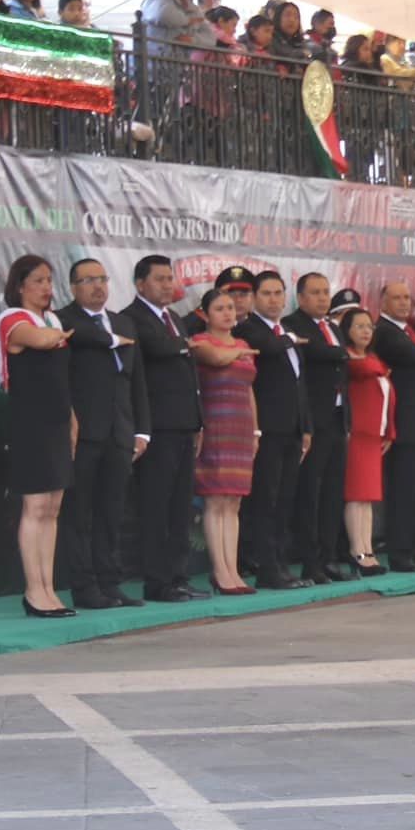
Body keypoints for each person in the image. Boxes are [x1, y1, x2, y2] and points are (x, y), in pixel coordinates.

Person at [55, 258, 149, 612]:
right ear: (73, 287)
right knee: (80, 513)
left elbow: (136, 381)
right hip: (84, 433)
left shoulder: (124, 322)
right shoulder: (65, 321)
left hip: (119, 432)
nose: (97, 286)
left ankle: (111, 584)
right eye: (88, 280)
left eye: (102, 279)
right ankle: (84, 587)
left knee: (112, 512)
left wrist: (141, 431)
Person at [0, 255, 77, 617]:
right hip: (31, 423)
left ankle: (48, 586)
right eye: (38, 281)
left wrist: (72, 418)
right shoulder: (13, 320)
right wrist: (56, 335)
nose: (46, 288)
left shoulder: (54, 321)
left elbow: (60, 374)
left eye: (48, 280)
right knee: (35, 505)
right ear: (20, 286)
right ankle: (33, 590)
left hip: (57, 420)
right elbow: (39, 341)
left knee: (53, 508)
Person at [121, 256, 203, 603]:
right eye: (160, 279)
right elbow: (155, 351)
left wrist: (198, 421)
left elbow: (190, 376)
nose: (168, 285)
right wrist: (189, 344)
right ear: (140, 284)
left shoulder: (174, 320)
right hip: (158, 427)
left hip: (185, 425)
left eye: (170, 278)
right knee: (156, 507)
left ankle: (178, 576)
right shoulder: (131, 318)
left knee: (180, 507)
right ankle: (157, 582)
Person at [235, 271, 312, 590]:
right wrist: (288, 340)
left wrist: (306, 426)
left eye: (279, 293)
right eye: (266, 293)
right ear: (253, 298)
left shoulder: (288, 332)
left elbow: (299, 383)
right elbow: (267, 348)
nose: (274, 299)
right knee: (265, 499)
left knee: (285, 498)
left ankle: (281, 563)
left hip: (292, 427)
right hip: (266, 428)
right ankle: (266, 566)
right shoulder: (248, 329)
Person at [188, 289, 259, 596]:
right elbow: (216, 359)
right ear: (205, 314)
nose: (228, 313)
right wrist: (238, 355)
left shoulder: (243, 344)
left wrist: (256, 430)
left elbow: (250, 389)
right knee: (216, 501)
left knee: (234, 501)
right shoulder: (201, 341)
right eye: (220, 308)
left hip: (242, 425)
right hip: (216, 424)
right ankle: (220, 571)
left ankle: (233, 569)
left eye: (231, 308)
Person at [371, 281, 415, 573]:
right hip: (405, 426)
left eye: (406, 298)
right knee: (404, 491)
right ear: (383, 303)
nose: (403, 303)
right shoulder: (385, 332)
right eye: (396, 298)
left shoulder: (408, 331)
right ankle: (401, 554)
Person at [286, 275, 352, 585]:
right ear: (300, 298)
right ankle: (310, 561)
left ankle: (329, 558)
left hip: (338, 419)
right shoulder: (293, 325)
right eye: (315, 293)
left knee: (332, 493)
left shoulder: (334, 327)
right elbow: (316, 354)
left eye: (326, 292)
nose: (323, 298)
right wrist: (341, 353)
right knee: (310, 493)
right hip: (313, 421)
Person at [339, 306, 393, 577]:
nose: (365, 331)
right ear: (347, 330)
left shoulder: (374, 359)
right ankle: (356, 550)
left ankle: (368, 548)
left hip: (374, 435)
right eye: (359, 326)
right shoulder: (350, 359)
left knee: (368, 497)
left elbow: (388, 400)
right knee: (356, 495)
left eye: (369, 327)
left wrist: (389, 432)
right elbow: (363, 371)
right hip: (356, 433)